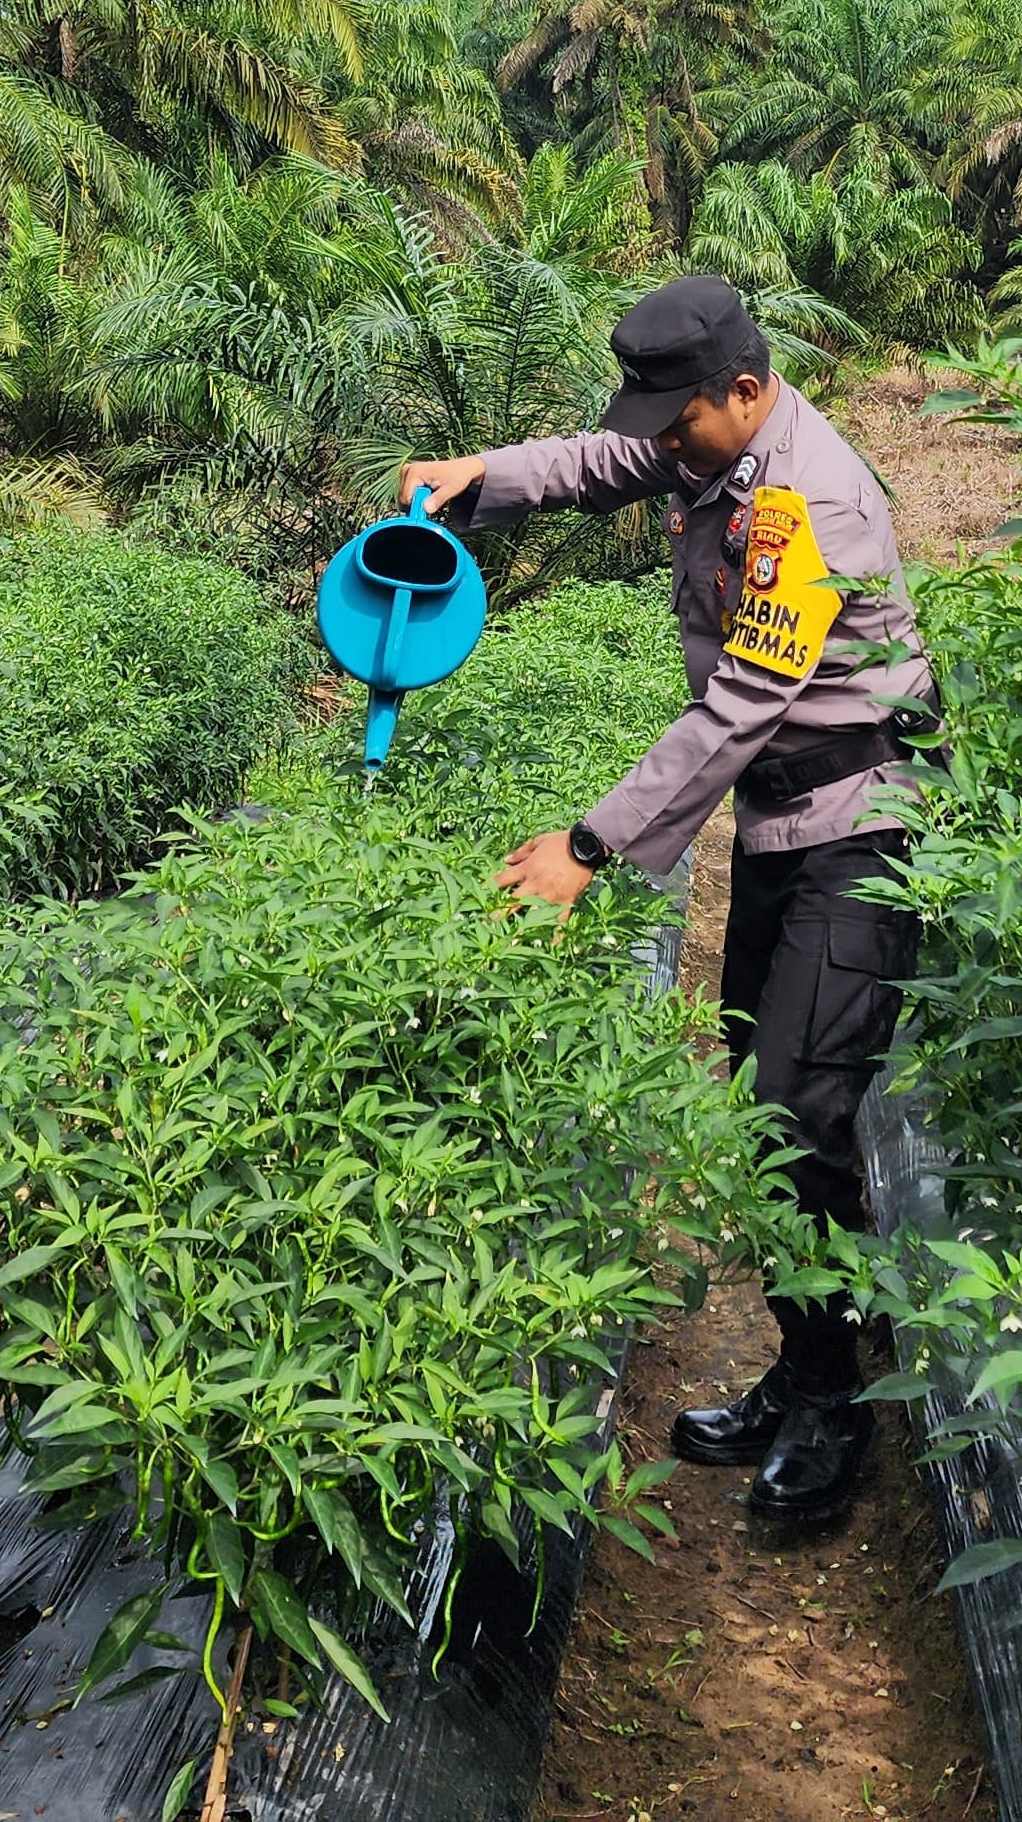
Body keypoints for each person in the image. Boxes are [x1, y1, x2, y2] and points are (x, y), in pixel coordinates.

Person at [400, 270, 935, 1529]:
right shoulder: (715, 448)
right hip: (780, 819)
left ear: (743, 392)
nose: (657, 444)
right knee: (761, 1102)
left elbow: (745, 703)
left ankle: (834, 1413)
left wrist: (588, 848)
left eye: (675, 420)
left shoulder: (813, 505)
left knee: (805, 1112)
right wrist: (481, 475)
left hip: (861, 828)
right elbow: (601, 462)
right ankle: (800, 1372)